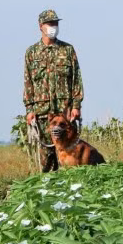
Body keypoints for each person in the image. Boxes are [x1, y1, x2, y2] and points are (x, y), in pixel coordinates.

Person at [23, 10, 84, 172]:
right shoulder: (32, 53)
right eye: (50, 23)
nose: (53, 27)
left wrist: (76, 105)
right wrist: (29, 110)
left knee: (69, 153)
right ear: (40, 26)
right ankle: (46, 189)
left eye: (55, 23)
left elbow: (76, 79)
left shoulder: (68, 50)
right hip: (43, 114)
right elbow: (28, 82)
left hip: (65, 114)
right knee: (47, 155)